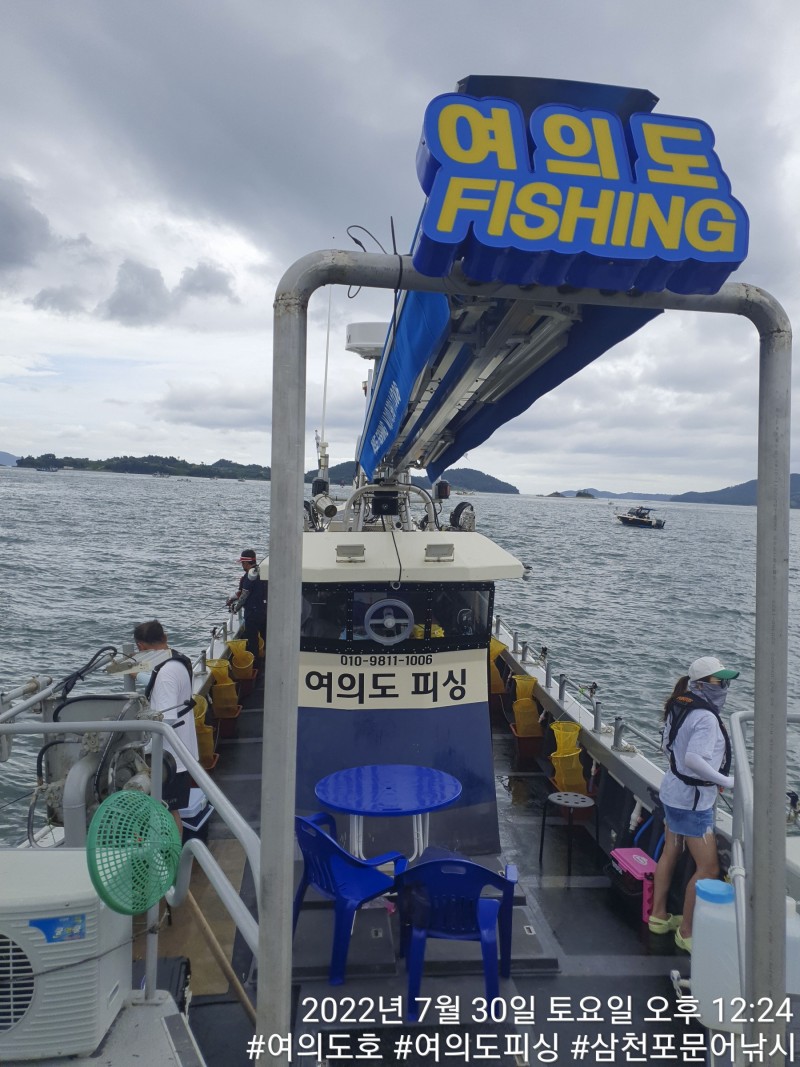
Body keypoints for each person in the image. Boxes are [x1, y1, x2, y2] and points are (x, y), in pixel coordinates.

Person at [649, 655, 739, 952]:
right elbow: (693, 759)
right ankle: (687, 931)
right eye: (719, 681)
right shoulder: (707, 718)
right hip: (693, 804)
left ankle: (659, 915)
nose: (724, 687)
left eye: (725, 681)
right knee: (709, 868)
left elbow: (669, 749)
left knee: (671, 852)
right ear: (701, 684)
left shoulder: (681, 704)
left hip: (673, 793)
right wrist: (726, 781)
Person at [133, 619, 199, 833]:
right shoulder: (176, 661)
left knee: (167, 811)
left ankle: (172, 851)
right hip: (181, 751)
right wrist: (139, 675)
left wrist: (140, 741)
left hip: (169, 759)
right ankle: (172, 849)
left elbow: (165, 719)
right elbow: (164, 685)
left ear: (140, 647)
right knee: (170, 810)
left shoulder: (165, 675)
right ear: (165, 637)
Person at [226, 548, 267, 659]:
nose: (242, 565)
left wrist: (235, 608)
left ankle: (256, 664)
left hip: (252, 615)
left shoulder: (249, 576)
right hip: (265, 612)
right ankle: (266, 659)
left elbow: (244, 595)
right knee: (265, 639)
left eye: (242, 563)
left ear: (246, 563)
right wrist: (232, 598)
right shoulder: (263, 572)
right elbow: (242, 592)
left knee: (253, 642)